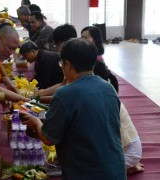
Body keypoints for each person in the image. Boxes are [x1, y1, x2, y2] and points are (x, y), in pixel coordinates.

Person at [20, 38, 126, 180]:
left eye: (61, 64)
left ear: (67, 65)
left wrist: (35, 122)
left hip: (87, 173)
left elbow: (48, 138)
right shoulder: (108, 88)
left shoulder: (65, 93)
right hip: (116, 170)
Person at [94, 62, 144, 174]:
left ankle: (123, 167)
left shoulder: (102, 98)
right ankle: (124, 166)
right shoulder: (105, 91)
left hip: (127, 153)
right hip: (129, 150)